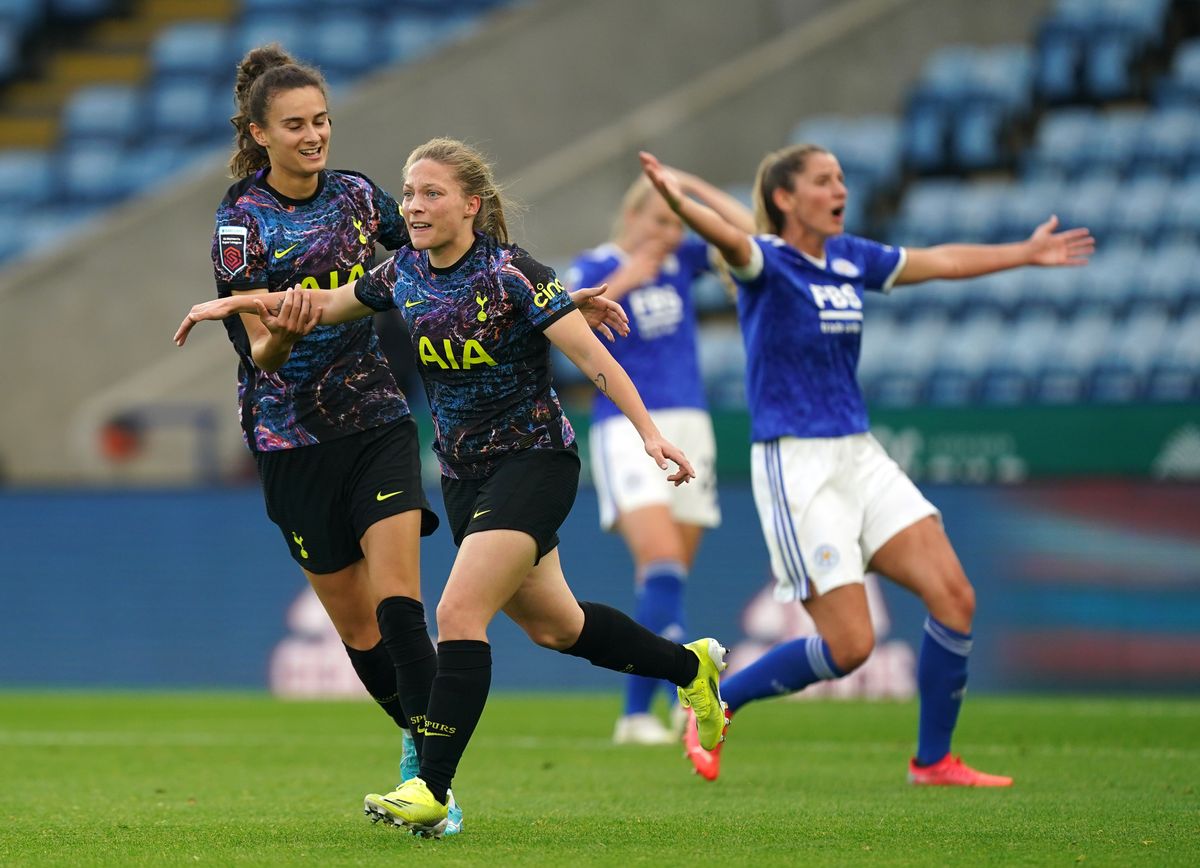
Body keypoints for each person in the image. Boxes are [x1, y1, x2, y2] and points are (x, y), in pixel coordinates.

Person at [176, 137, 732, 837]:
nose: (412, 205)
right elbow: (319, 304)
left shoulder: (514, 275)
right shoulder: (401, 272)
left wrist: (649, 434)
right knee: (558, 626)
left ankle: (430, 788)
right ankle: (691, 668)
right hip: (465, 479)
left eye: (431, 193)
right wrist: (232, 305)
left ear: (472, 205)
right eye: (408, 193)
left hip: (534, 462)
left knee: (458, 612)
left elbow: (593, 358)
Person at [639, 145, 1094, 787]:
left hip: (860, 453)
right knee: (851, 648)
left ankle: (932, 760)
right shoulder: (766, 263)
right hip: (796, 463)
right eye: (824, 180)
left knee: (955, 597)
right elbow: (727, 235)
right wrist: (679, 199)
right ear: (785, 199)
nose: (840, 189)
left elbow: (942, 262)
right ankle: (718, 695)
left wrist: (1024, 252)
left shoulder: (852, 256)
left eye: (842, 179)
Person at [206, 43, 471, 831]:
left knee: (399, 608)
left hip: (376, 421)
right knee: (358, 628)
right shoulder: (239, 223)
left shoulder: (359, 196)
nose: (313, 135)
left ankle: (433, 788)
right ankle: (413, 740)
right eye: (295, 125)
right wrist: (283, 332)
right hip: (290, 442)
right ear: (259, 134)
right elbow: (256, 350)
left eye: (321, 120)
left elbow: (426, 248)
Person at [565, 174, 753, 745]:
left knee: (666, 576)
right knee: (663, 556)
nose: (670, 233)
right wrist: (627, 278)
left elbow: (749, 234)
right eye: (661, 220)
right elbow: (569, 331)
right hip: (628, 424)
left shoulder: (683, 260)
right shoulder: (594, 264)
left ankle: (637, 713)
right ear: (633, 216)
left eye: (677, 222)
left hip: (691, 421)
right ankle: (689, 684)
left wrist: (690, 190)